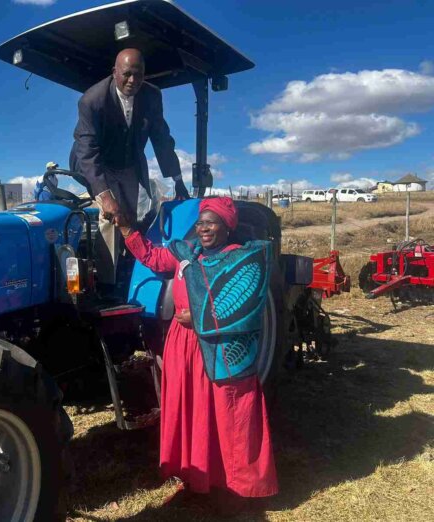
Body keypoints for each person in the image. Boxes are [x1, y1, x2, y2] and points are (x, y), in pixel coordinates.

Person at [117, 197, 278, 508]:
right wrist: (125, 227)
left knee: (227, 413)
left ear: (228, 227)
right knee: (190, 408)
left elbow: (245, 307)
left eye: (211, 222)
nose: (204, 228)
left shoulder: (241, 260)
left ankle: (234, 487)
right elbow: (152, 256)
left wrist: (200, 315)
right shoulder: (186, 255)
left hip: (220, 348)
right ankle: (196, 476)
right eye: (201, 223)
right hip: (183, 344)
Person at [70, 48, 189, 285]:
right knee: (110, 216)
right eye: (127, 74)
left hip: (129, 163)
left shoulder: (152, 96)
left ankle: (130, 273)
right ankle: (108, 284)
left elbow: (161, 139)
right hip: (97, 163)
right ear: (114, 72)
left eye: (139, 74)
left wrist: (178, 180)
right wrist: (105, 196)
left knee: (129, 218)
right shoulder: (91, 101)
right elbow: (87, 151)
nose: (133, 80)